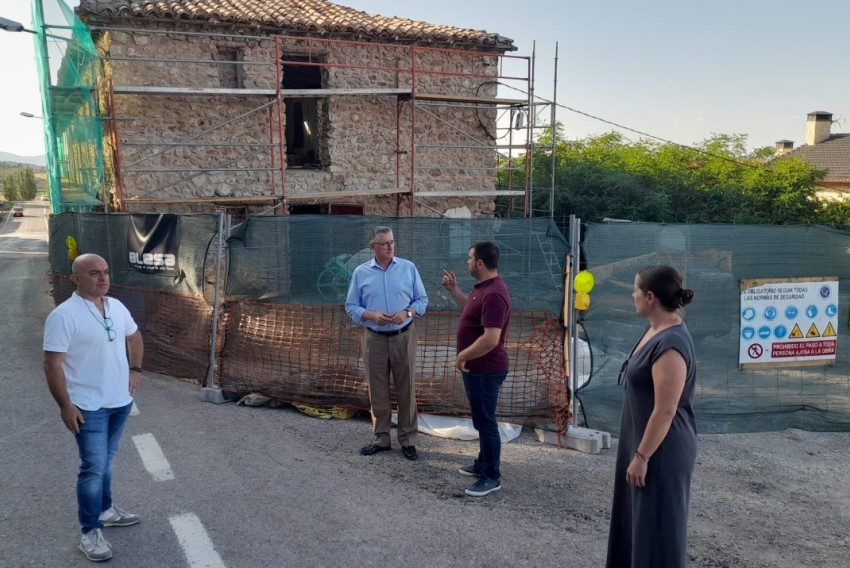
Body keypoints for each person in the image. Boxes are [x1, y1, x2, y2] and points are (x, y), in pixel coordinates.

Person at [43, 253, 144, 562]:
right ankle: (89, 531)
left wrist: (135, 370)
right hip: (87, 408)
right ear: (76, 278)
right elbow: (52, 365)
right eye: (93, 273)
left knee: (107, 461)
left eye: (105, 271)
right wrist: (65, 406)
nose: (102, 278)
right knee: (92, 468)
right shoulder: (64, 315)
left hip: (119, 402)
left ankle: (106, 509)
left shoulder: (117, 306)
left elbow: (135, 336)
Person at [606, 265, 697, 568]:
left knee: (658, 532)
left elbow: (666, 409)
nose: (631, 295)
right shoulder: (654, 328)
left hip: (661, 451)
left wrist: (642, 456)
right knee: (635, 526)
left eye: (634, 290)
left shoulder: (671, 344)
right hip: (641, 444)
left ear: (650, 296)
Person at [345, 226, 428, 461]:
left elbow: (422, 300)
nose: (390, 247)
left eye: (392, 242)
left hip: (404, 335)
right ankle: (381, 438)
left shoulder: (408, 268)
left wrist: (408, 312)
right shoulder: (361, 273)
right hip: (374, 338)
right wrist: (371, 315)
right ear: (373, 247)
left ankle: (408, 440)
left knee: (406, 389)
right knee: (378, 390)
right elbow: (351, 306)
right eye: (385, 243)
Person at [441, 241, 511, 497]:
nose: (467, 262)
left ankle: (492, 476)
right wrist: (454, 290)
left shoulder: (494, 293)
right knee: (481, 419)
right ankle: (483, 463)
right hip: (477, 369)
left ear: (480, 263)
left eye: (470, 258)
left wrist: (462, 356)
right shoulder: (482, 289)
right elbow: (468, 312)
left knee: (486, 422)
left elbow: (491, 338)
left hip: (485, 369)